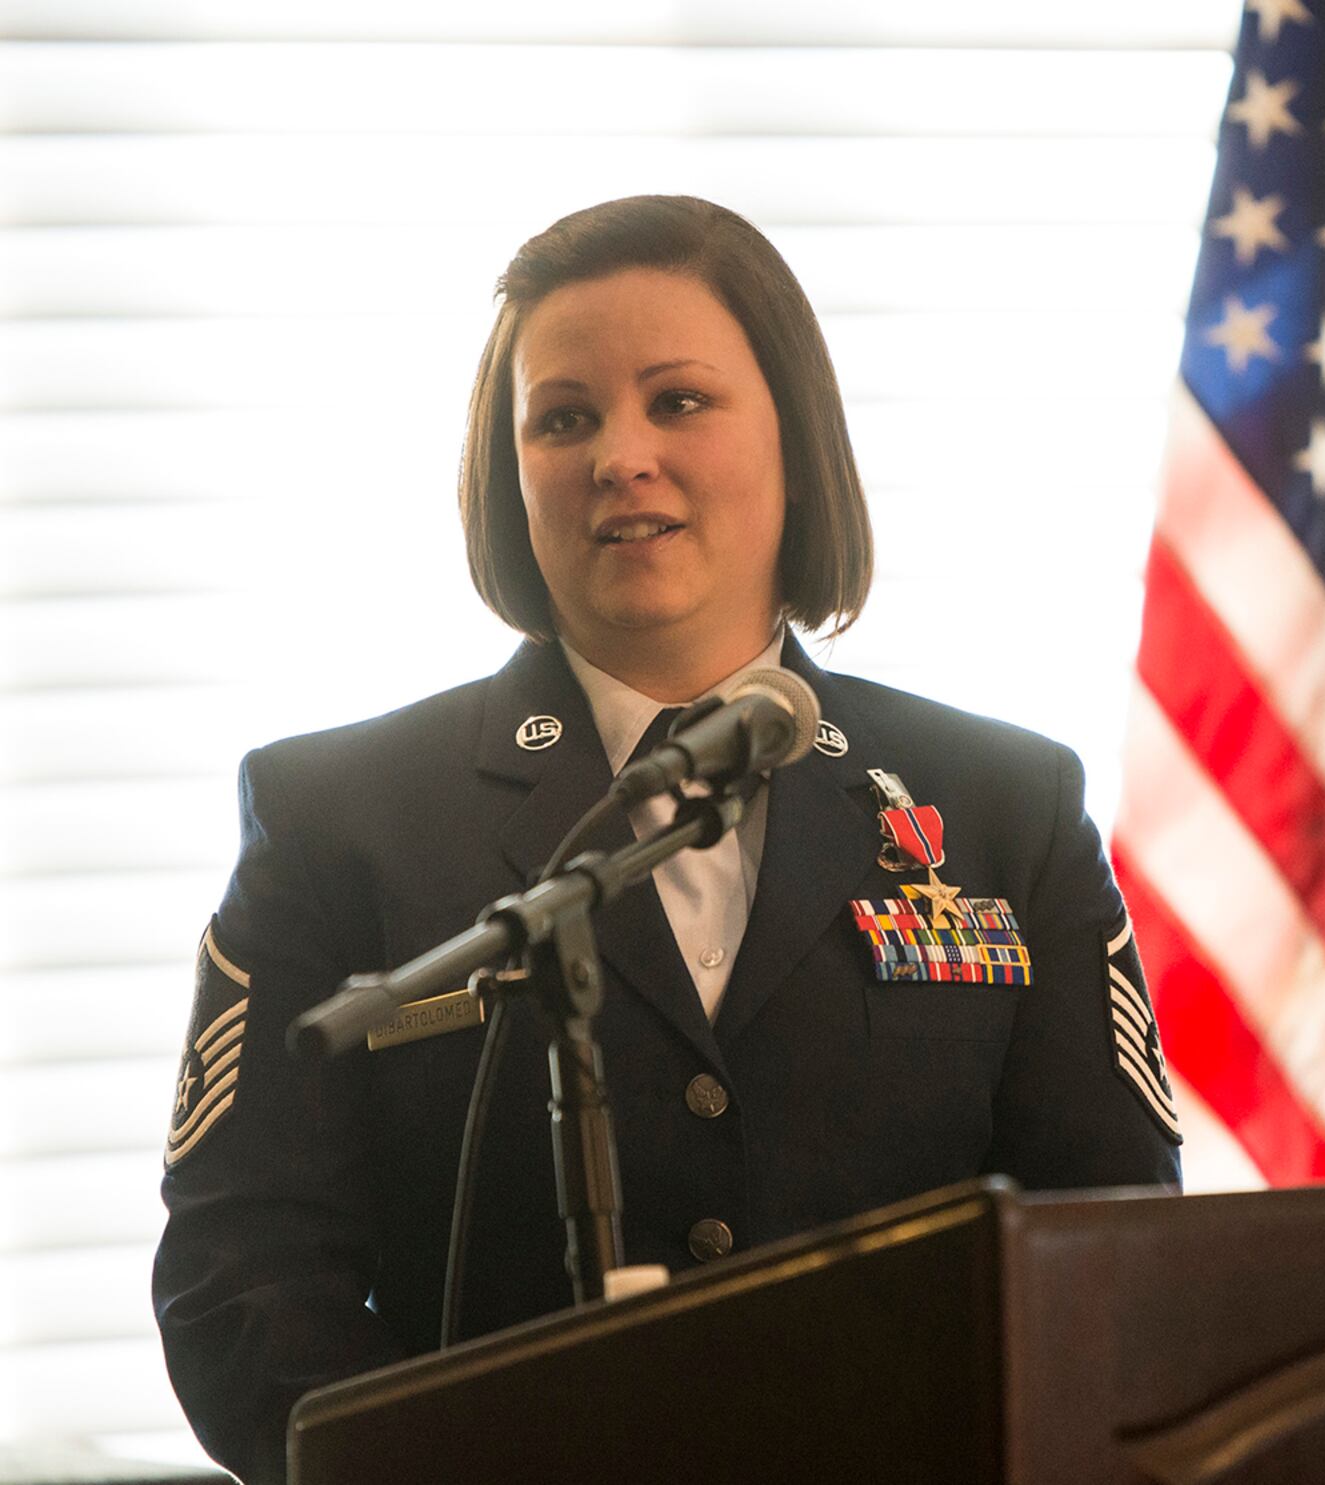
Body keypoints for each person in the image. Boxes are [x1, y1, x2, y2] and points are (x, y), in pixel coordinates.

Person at [153, 195, 1181, 1483]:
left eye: (679, 402)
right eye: (564, 416)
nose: (618, 456)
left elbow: (1114, 1248)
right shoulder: (340, 819)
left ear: (792, 438)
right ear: (511, 471)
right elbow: (242, 1281)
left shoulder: (1002, 809)